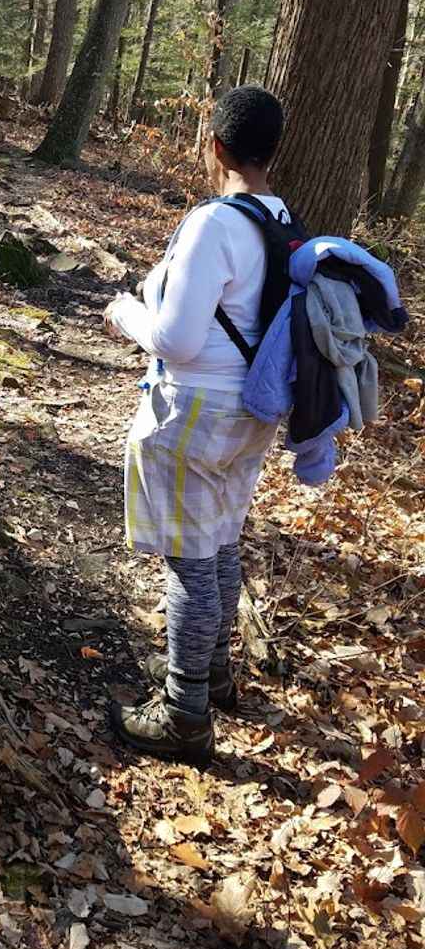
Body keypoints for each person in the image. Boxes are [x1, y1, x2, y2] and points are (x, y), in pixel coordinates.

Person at [104, 85, 288, 768]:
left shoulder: (215, 223)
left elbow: (177, 339)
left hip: (194, 411)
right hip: (252, 414)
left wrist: (123, 312)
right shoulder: (280, 219)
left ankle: (185, 715)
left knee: (190, 561)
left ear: (215, 146)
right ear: (274, 149)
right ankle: (214, 677)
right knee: (220, 545)